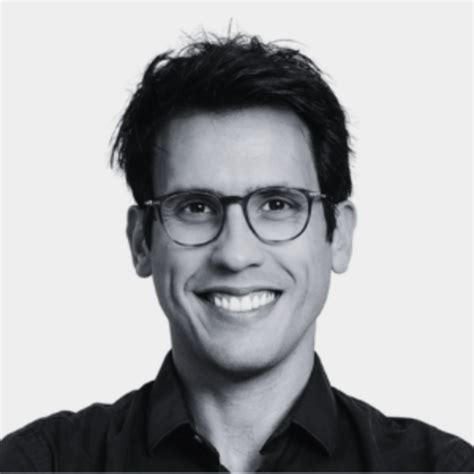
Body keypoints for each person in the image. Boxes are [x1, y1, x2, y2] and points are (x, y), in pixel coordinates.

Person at [1, 32, 472, 472]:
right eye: (195, 207)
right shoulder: (42, 464)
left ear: (340, 235)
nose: (236, 253)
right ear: (142, 240)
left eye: (277, 204)